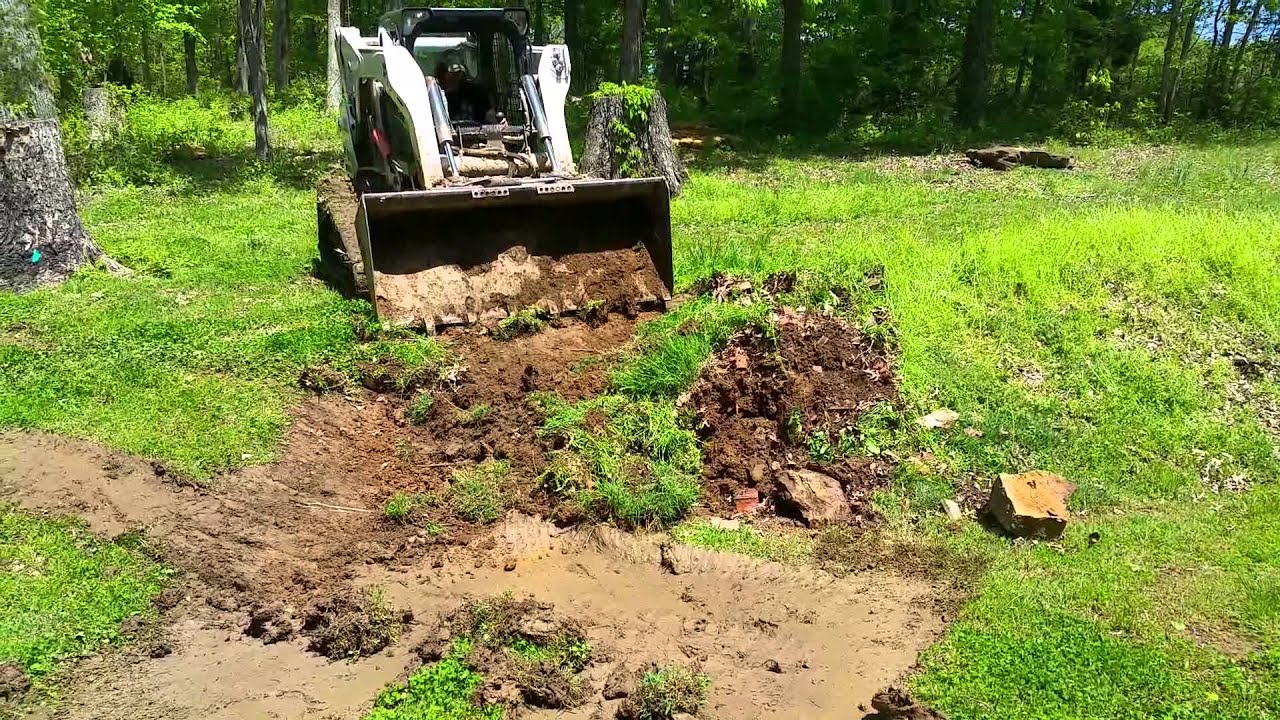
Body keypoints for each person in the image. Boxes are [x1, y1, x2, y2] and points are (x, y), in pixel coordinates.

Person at [434, 54, 493, 123]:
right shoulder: (435, 95)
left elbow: (489, 116)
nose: (455, 76)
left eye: (458, 72)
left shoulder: (476, 93)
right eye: (451, 73)